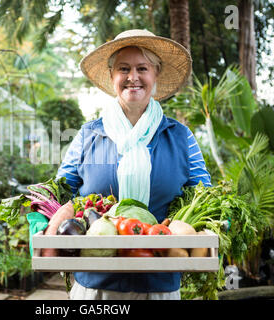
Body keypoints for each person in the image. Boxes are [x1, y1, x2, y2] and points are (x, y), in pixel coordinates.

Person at [56, 29, 212, 300]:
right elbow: (62, 191)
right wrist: (44, 218)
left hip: (159, 282)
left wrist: (217, 227)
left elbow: (206, 195)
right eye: (123, 69)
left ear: (156, 74)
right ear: (112, 76)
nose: (133, 77)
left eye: (143, 68)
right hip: (95, 284)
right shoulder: (88, 136)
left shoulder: (180, 138)